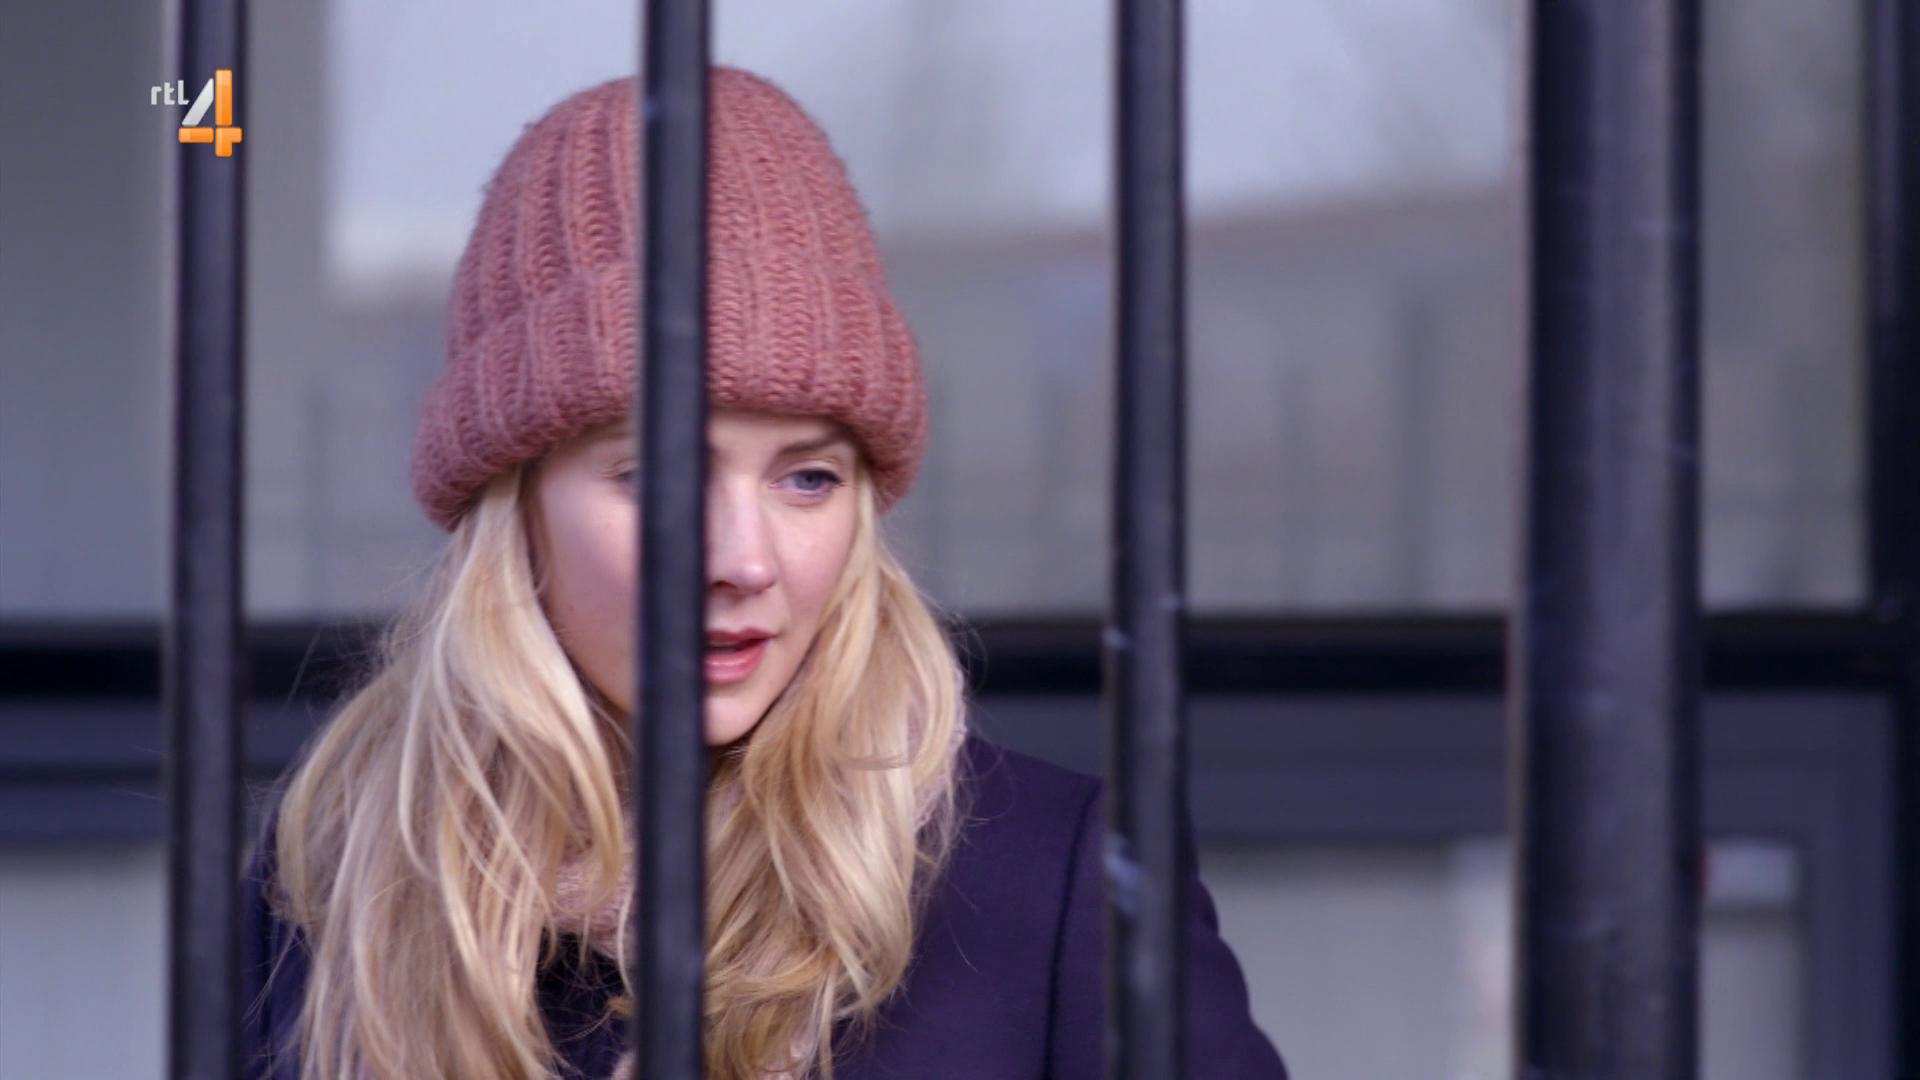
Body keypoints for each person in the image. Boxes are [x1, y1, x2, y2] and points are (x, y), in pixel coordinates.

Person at [240, 65, 1288, 1080]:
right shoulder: (331, 878)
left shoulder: (1053, 880)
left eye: (808, 479)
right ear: (514, 502)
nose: (743, 560)